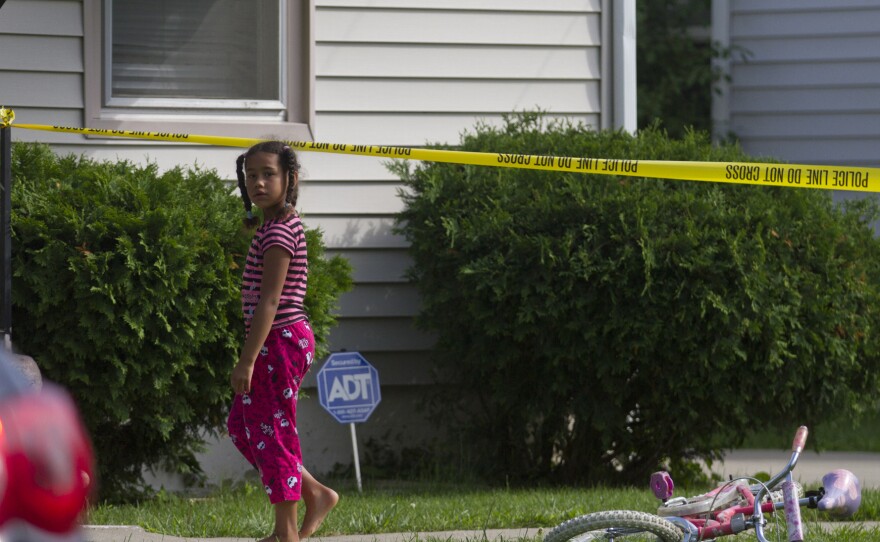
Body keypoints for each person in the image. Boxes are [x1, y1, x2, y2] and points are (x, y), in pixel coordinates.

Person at [226, 141, 338, 542]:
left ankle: (285, 532)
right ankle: (315, 493)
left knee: (273, 432)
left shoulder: (281, 231)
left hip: (280, 340)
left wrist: (247, 359)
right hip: (278, 340)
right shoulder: (272, 226)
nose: (258, 182)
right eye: (251, 175)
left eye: (268, 174)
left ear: (288, 178)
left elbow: (270, 301)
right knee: (243, 427)